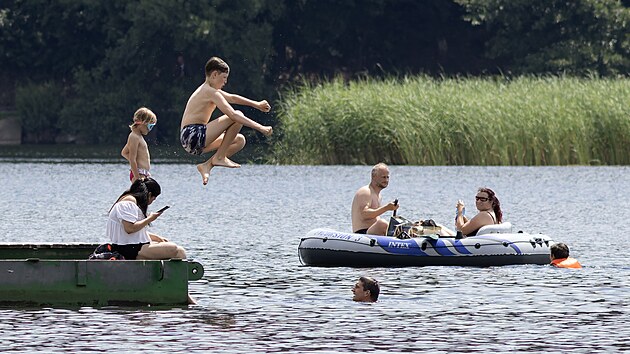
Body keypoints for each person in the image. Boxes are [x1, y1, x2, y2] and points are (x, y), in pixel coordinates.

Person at [180, 56, 273, 185]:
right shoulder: (209, 92)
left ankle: (207, 165)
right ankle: (219, 157)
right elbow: (233, 115)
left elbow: (233, 98)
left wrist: (256, 104)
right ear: (214, 75)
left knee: (239, 140)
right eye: (224, 78)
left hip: (194, 140)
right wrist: (260, 128)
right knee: (237, 116)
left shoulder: (210, 90)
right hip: (192, 135)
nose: (225, 82)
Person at [106, 178, 186, 260]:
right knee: (174, 248)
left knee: (180, 251)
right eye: (153, 199)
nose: (151, 202)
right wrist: (150, 219)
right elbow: (129, 229)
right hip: (128, 248)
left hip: (134, 246)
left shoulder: (132, 202)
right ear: (149, 194)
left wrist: (157, 238)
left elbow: (135, 231)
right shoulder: (129, 202)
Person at [351, 163, 399, 235]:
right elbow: (364, 214)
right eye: (383, 177)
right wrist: (386, 208)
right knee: (382, 224)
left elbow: (375, 217)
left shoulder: (378, 195)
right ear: (374, 177)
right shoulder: (366, 191)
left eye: (387, 177)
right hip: (362, 233)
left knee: (397, 225)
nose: (386, 180)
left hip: (373, 233)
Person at [121, 107, 157, 182]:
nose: (150, 130)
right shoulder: (134, 137)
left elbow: (124, 152)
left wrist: (139, 165)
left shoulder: (138, 136)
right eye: (150, 126)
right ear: (142, 122)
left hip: (143, 173)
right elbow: (132, 158)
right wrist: (138, 178)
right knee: (141, 193)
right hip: (138, 174)